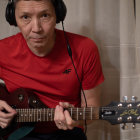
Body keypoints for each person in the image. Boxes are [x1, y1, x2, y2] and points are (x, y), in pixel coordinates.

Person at [0, 0, 104, 139]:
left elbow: (93, 109)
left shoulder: (85, 49)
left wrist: (76, 118)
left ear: (58, 15)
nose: (36, 28)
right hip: (15, 133)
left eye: (45, 16)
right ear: (13, 18)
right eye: (25, 17)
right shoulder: (3, 50)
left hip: (67, 132)